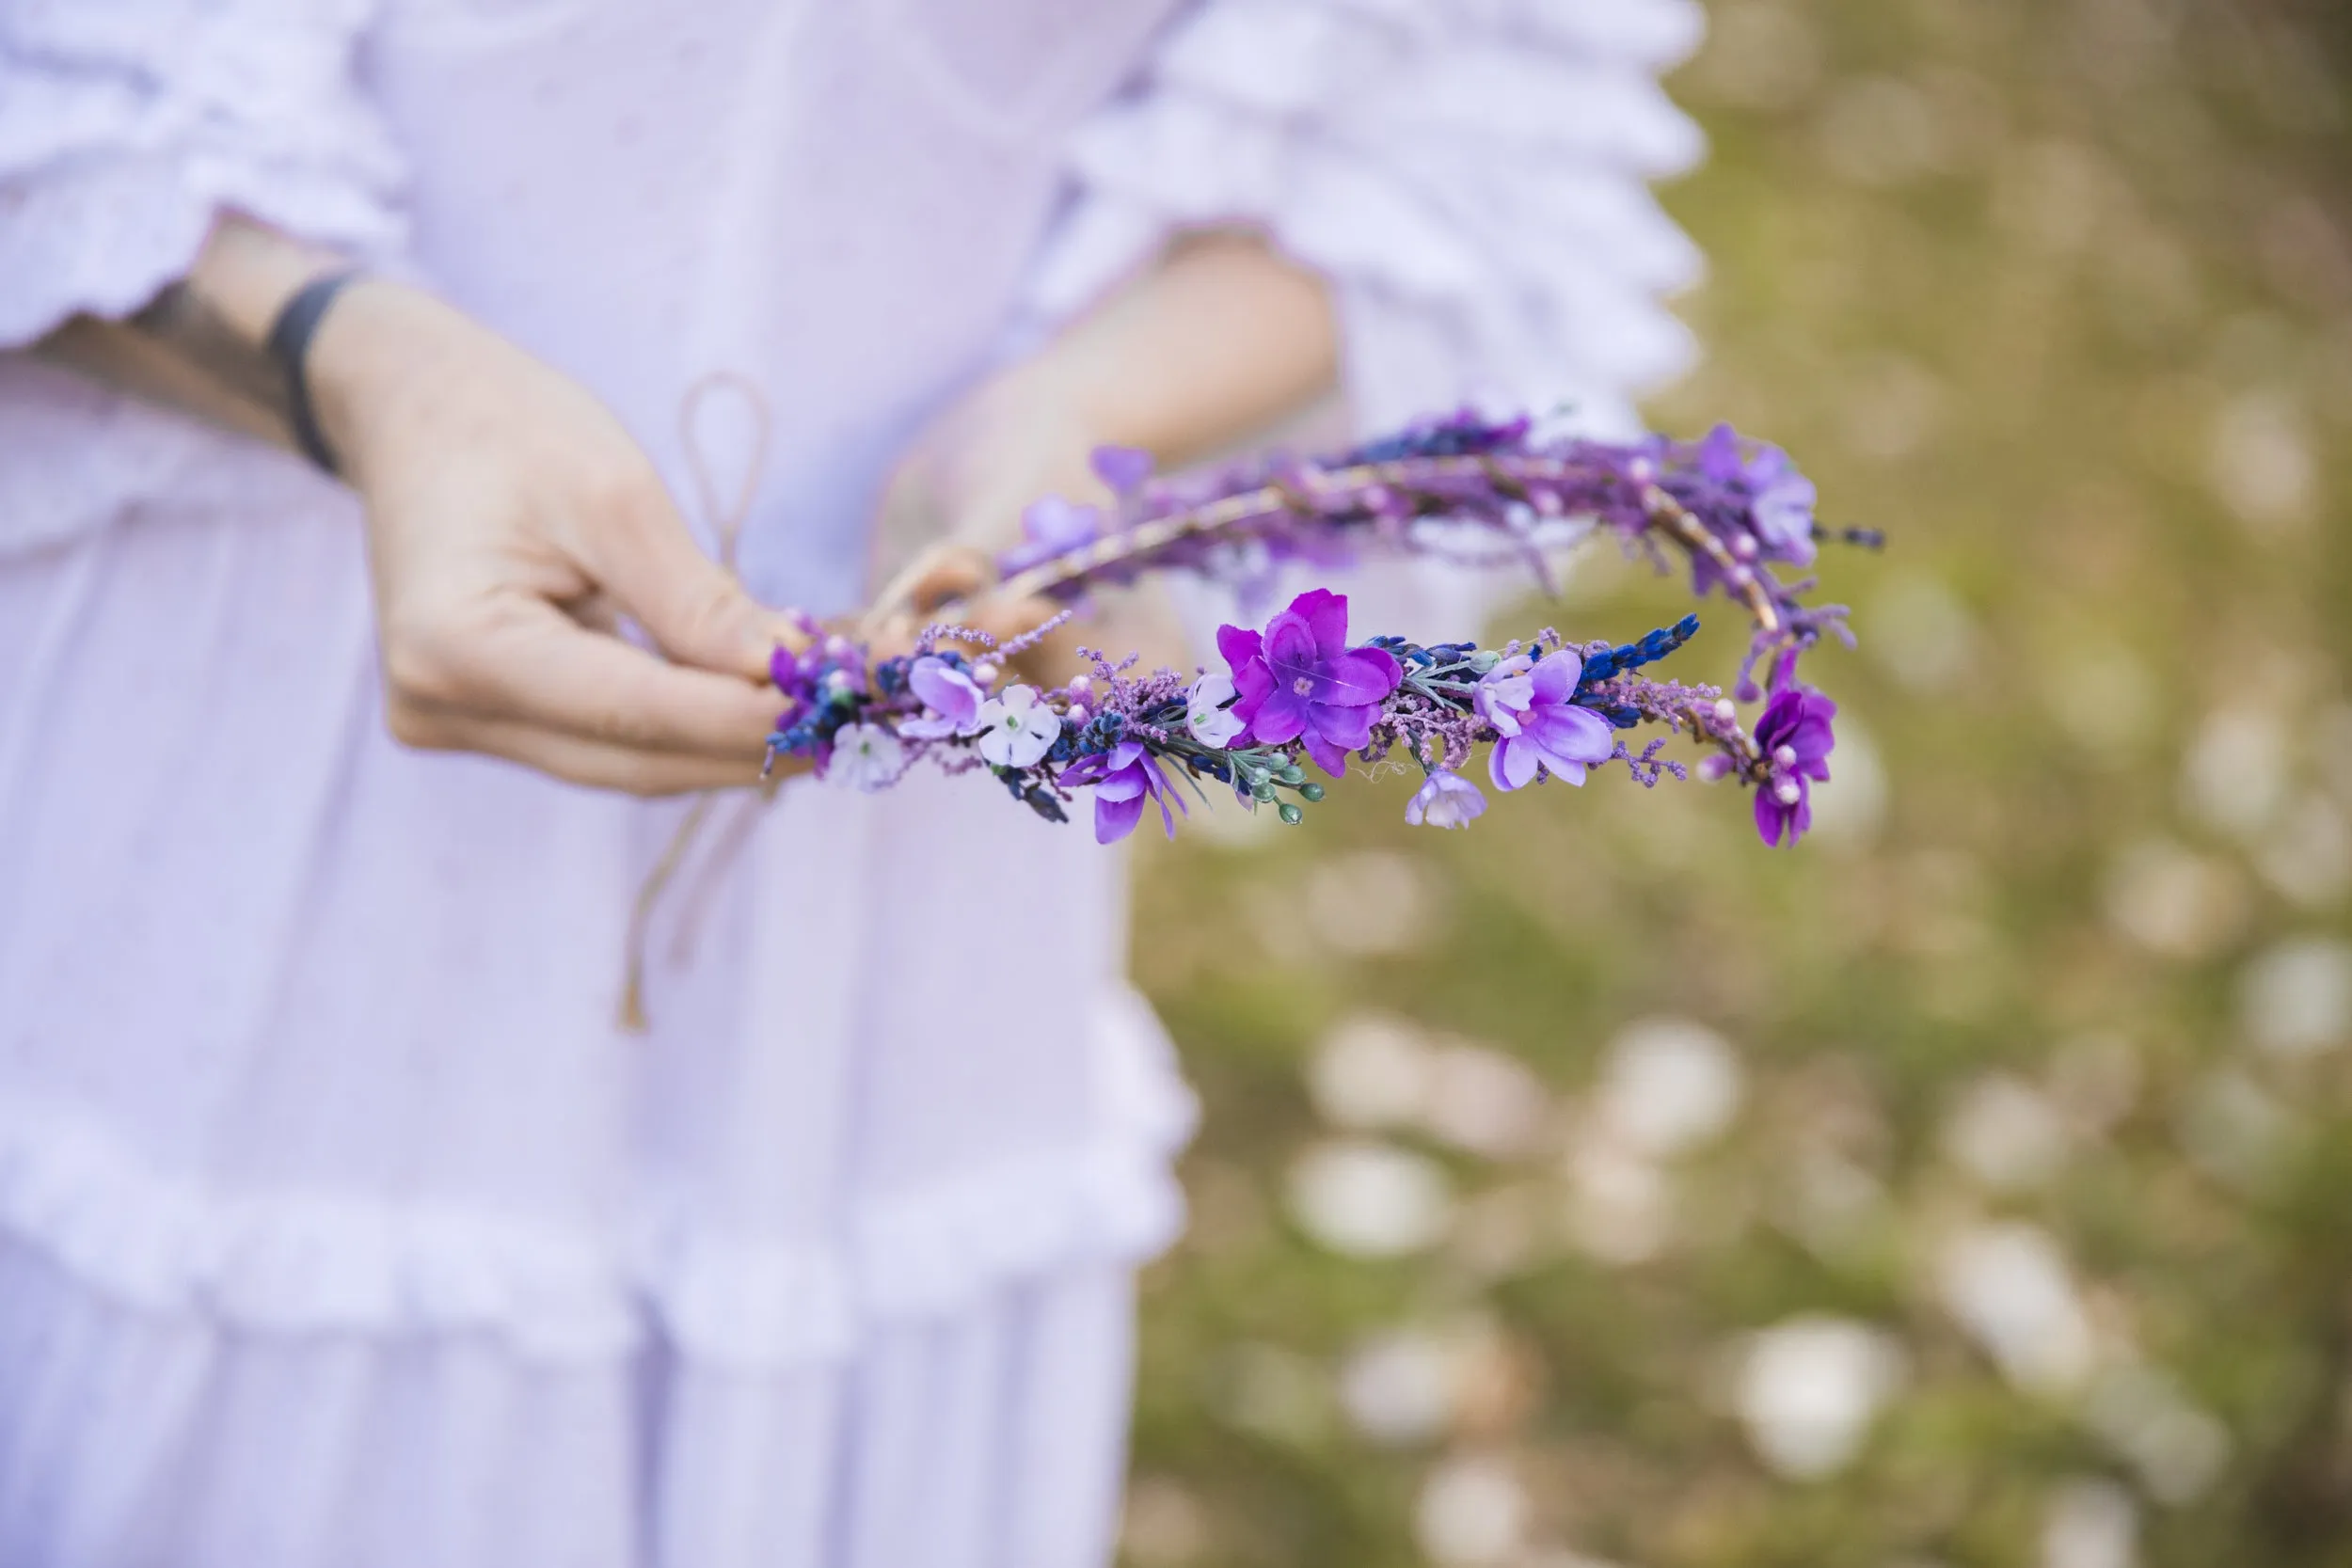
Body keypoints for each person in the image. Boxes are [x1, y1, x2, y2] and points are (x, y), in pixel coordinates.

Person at [0, 1, 1706, 1563]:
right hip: (249, 804)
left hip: (905, 888)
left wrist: (1077, 424)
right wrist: (354, 366)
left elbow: (1467, 104)